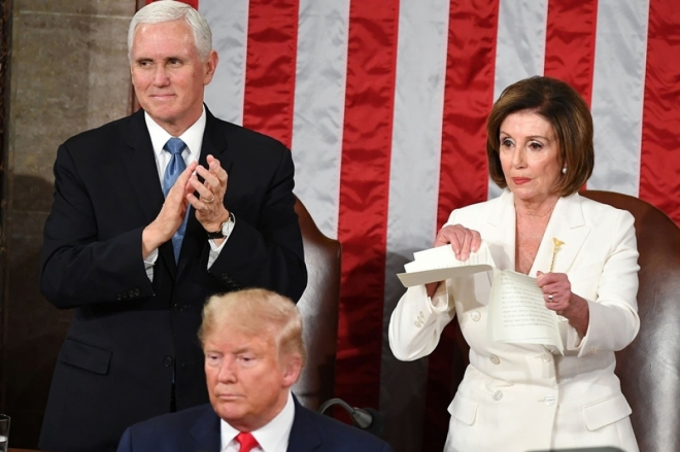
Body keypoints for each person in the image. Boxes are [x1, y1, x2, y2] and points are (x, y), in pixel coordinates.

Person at [39, 2, 307, 451]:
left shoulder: (264, 160)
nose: (158, 79)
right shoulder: (85, 157)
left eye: (174, 62)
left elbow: (286, 285)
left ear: (208, 66)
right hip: (100, 404)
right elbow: (57, 278)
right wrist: (148, 240)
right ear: (131, 69)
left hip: (213, 403)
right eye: (145, 63)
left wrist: (222, 226)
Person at [389, 76, 640, 452]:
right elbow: (405, 346)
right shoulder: (468, 222)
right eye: (508, 143)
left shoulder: (611, 225)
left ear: (568, 153)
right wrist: (434, 273)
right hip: (485, 428)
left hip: (581, 429)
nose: (517, 161)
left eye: (535, 145)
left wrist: (575, 307)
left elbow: (623, 326)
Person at [116, 289, 394, 452]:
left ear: (290, 369)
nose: (224, 374)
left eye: (245, 359)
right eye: (214, 357)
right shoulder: (146, 444)